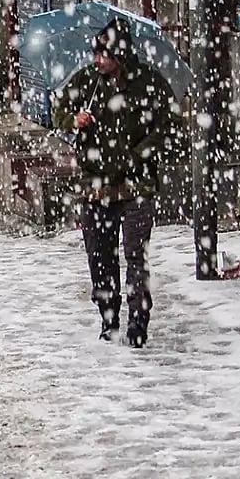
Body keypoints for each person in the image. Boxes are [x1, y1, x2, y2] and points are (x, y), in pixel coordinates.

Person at [52, 18, 177, 347]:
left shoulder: (149, 82)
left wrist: (138, 156)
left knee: (136, 255)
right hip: (95, 186)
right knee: (100, 254)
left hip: (138, 186)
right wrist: (73, 120)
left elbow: (169, 128)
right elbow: (59, 110)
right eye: (94, 55)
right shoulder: (88, 81)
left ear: (119, 55)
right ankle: (108, 316)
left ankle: (138, 321)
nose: (97, 61)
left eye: (103, 55)